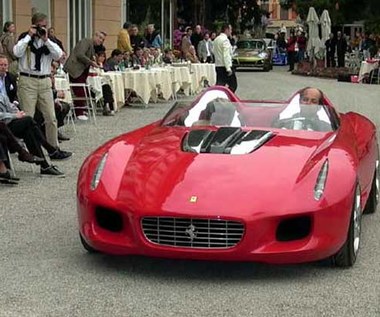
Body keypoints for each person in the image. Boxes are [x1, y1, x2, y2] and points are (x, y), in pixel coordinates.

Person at [13, 12, 63, 149]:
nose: (42, 29)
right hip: (27, 80)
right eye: (40, 26)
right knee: (28, 117)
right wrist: (29, 35)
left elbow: (58, 54)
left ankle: (53, 148)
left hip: (45, 80)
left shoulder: (49, 40)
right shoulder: (24, 38)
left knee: (51, 118)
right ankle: (31, 148)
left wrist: (46, 39)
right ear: (33, 25)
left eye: (45, 26)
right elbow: (16, 52)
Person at [0, 93, 67, 176]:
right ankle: (48, 152)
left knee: (28, 130)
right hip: (4, 126)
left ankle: (45, 164)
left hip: (9, 122)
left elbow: (10, 105)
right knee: (28, 121)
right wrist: (14, 115)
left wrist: (17, 112)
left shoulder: (1, 93)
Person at [63, 31, 106, 120]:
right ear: (95, 35)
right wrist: (91, 62)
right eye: (100, 38)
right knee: (80, 90)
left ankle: (80, 109)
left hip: (81, 71)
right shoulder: (85, 42)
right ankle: (79, 112)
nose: (101, 41)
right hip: (75, 69)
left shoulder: (92, 47)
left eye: (103, 39)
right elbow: (79, 54)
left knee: (84, 90)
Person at [213, 23, 237, 92]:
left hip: (218, 65)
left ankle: (218, 98)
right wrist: (228, 68)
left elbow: (213, 51)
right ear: (226, 30)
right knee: (233, 85)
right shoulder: (225, 40)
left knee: (220, 84)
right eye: (230, 30)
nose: (231, 31)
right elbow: (226, 55)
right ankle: (226, 98)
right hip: (225, 66)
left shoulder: (216, 39)